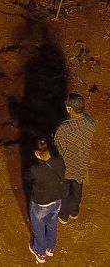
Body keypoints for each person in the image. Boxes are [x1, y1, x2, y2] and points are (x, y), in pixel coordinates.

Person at [55, 93, 96, 223]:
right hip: (81, 164)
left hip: (66, 167)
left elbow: (58, 150)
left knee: (64, 192)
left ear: (69, 109)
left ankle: (63, 215)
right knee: (78, 189)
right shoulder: (90, 122)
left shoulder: (63, 128)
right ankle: (74, 212)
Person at [25, 137, 65, 263]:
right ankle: (50, 248)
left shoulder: (36, 169)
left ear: (37, 152)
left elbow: (28, 178)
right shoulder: (59, 160)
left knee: (39, 227)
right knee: (52, 223)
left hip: (41, 203)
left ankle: (40, 252)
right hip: (57, 199)